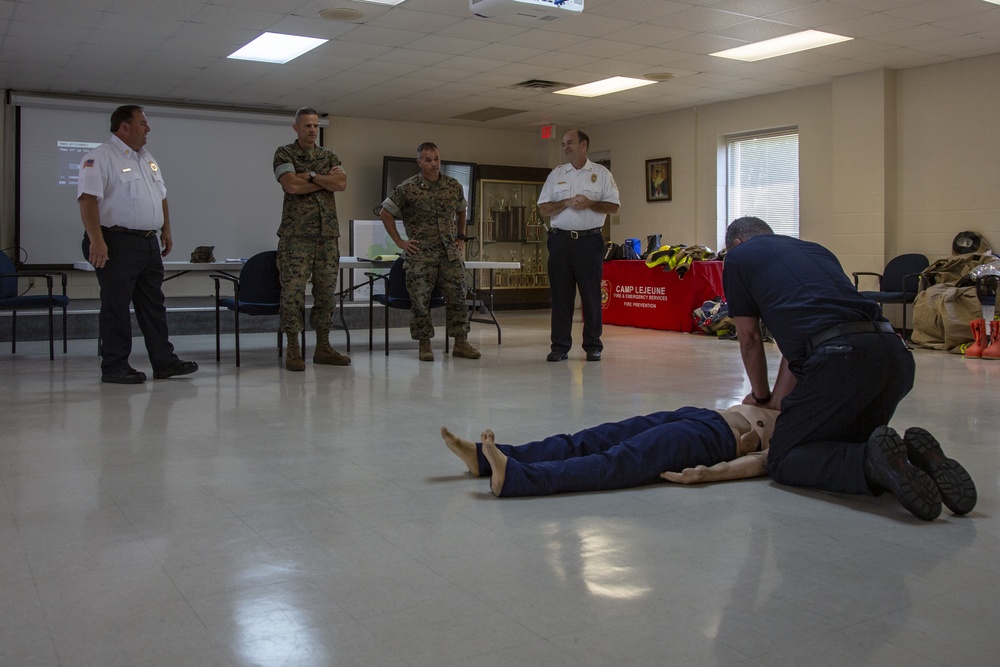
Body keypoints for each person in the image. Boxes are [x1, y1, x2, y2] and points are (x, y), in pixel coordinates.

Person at [723, 216, 977, 520]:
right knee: (839, 440)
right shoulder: (815, 250)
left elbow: (750, 339)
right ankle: (916, 459)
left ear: (736, 244)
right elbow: (797, 343)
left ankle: (869, 464)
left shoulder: (738, 258)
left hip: (841, 362)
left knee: (784, 458)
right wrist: (778, 400)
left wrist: (761, 398)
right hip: (894, 356)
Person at [77, 104, 198, 385]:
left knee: (153, 305)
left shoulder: (147, 158)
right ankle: (115, 366)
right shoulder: (100, 157)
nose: (148, 128)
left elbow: (161, 196)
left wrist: (166, 228)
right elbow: (87, 200)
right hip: (115, 241)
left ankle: (164, 362)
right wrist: (97, 240)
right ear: (124, 127)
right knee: (116, 306)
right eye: (143, 123)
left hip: (147, 242)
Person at [441, 404, 778, 497]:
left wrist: (711, 473)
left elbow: (763, 462)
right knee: (586, 439)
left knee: (616, 462)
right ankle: (484, 458)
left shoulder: (813, 428)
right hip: (698, 415)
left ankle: (514, 477)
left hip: (714, 440)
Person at [379, 142, 480, 362]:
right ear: (419, 162)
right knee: (420, 301)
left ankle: (461, 343)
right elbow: (385, 213)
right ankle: (424, 344)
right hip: (420, 254)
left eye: (436, 158)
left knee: (459, 297)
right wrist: (400, 242)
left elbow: (462, 209)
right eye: (428, 160)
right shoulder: (407, 188)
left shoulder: (453, 186)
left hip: (449, 254)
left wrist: (461, 236)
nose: (434, 164)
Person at [273, 107, 350, 372]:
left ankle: (323, 347)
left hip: (327, 236)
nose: (312, 130)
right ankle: (293, 350)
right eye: (307, 125)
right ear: (296, 127)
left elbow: (341, 184)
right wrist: (324, 181)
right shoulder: (285, 153)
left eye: (316, 125)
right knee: (293, 295)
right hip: (296, 238)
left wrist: (313, 176)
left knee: (326, 295)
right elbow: (292, 185)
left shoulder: (328, 155)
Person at [537, 129, 620, 362]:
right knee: (561, 296)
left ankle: (593, 345)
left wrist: (591, 204)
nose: (565, 147)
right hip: (560, 241)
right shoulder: (556, 174)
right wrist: (565, 202)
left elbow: (613, 207)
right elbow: (543, 209)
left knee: (591, 295)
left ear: (584, 145)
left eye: (570, 143)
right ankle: (559, 346)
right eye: (563, 144)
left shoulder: (601, 174)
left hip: (589, 241)